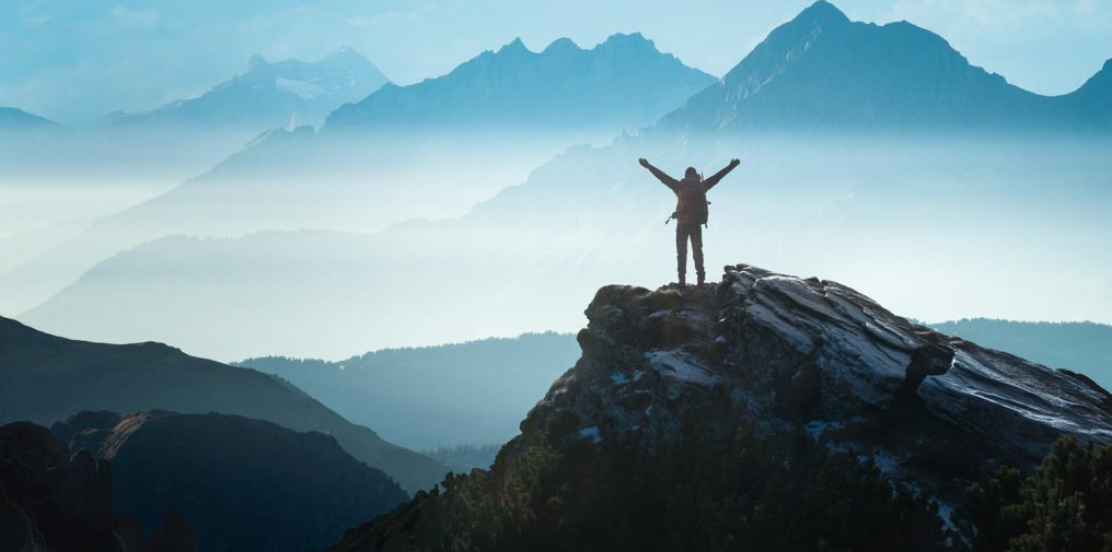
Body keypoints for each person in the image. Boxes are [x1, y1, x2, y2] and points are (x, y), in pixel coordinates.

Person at [639, 157, 740, 287]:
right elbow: (717, 177)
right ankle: (700, 281)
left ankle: (682, 282)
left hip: (682, 224)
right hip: (696, 224)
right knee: (698, 253)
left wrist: (648, 166)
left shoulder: (679, 186)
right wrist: (731, 166)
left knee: (681, 254)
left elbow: (663, 177)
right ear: (695, 175)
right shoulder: (701, 186)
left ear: (685, 176)